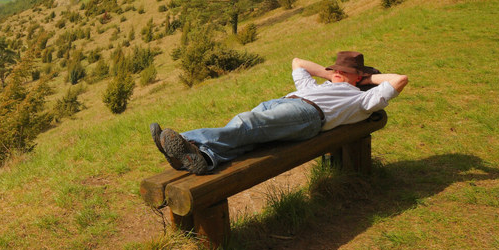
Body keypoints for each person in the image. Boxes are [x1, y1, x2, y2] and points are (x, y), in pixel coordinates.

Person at [151, 51, 408, 174]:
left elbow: (399, 80)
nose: (337, 72)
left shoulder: (361, 99)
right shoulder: (320, 84)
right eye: (335, 68)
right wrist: (332, 75)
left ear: (360, 76)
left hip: (308, 115)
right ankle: (204, 158)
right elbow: (297, 62)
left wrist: (366, 79)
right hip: (286, 103)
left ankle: (185, 141)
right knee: (246, 137)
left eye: (344, 70)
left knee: (246, 123)